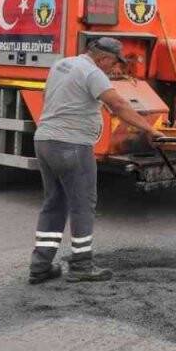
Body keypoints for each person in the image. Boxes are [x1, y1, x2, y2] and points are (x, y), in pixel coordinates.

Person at [28, 36, 164, 284]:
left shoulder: (62, 65)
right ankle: (82, 264)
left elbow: (50, 96)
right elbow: (119, 105)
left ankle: (40, 265)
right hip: (72, 146)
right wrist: (149, 129)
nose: (115, 69)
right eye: (114, 63)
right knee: (82, 204)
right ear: (103, 58)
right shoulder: (93, 73)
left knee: (54, 202)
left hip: (45, 141)